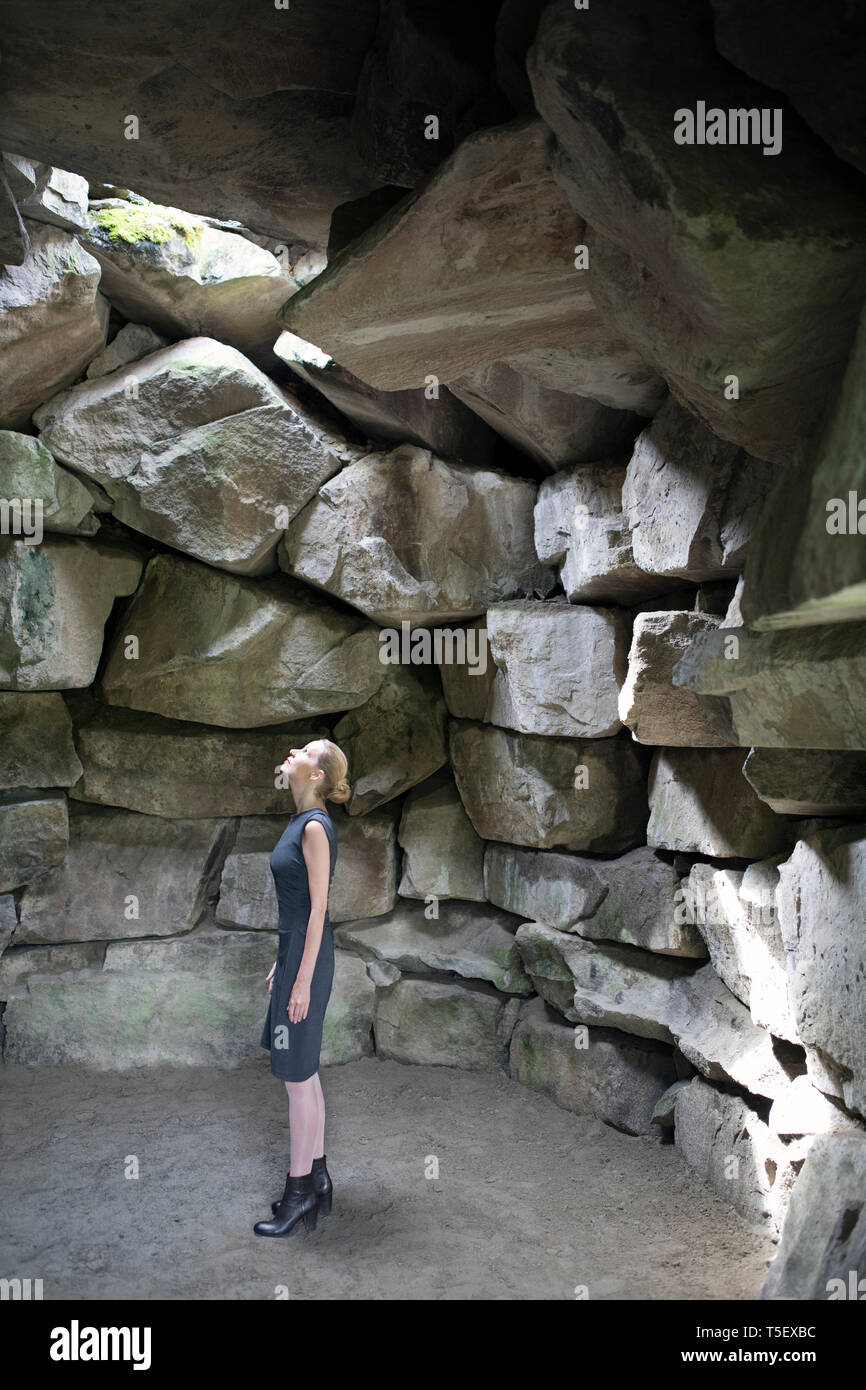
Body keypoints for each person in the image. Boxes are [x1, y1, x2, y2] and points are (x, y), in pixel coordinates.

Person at [253, 738, 350, 1238]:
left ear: (317, 775)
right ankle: (318, 1181)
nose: (293, 751)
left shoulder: (313, 827)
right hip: (296, 957)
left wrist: (303, 979)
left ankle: (298, 1196)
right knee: (305, 1075)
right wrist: (283, 964)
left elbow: (318, 910)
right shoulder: (299, 822)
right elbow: (295, 911)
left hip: (309, 961)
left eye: (307, 752)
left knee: (296, 1078)